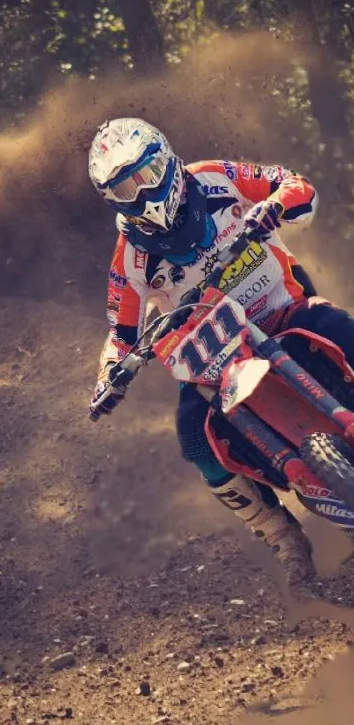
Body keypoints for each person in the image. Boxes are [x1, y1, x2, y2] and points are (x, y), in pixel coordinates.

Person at [88, 117, 354, 586]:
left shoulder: (215, 178)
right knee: (193, 436)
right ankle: (282, 537)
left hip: (281, 311)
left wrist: (273, 207)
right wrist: (111, 372)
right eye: (126, 189)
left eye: (146, 177)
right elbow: (122, 334)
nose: (143, 195)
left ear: (165, 159)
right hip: (214, 356)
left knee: (338, 328)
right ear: (112, 200)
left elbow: (294, 185)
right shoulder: (128, 259)